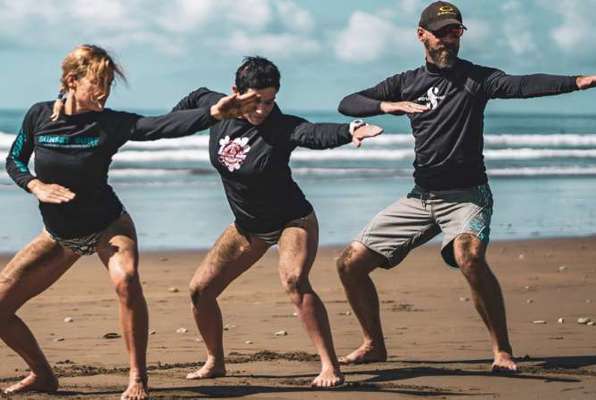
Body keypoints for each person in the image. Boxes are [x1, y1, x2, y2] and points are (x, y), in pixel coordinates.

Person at [335, 1, 596, 372]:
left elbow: (523, 85)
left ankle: (501, 350)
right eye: (441, 32)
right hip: (421, 198)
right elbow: (348, 103)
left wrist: (577, 82)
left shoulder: (478, 79)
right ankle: (374, 344)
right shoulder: (406, 82)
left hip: (468, 198)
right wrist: (388, 106)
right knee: (350, 264)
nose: (449, 39)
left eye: (455, 32)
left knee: (469, 258)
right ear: (421, 35)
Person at [1, 44, 258, 400]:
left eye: (109, 82)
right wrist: (35, 185)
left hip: (108, 225)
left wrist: (213, 113)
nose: (104, 91)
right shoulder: (38, 116)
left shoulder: (109, 123)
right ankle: (43, 374)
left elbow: (159, 126)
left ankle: (138, 377)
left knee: (127, 280)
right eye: (98, 82)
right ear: (72, 81)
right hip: (59, 234)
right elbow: (14, 160)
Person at [172, 56, 383, 387]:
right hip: (247, 227)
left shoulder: (281, 127)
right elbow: (196, 96)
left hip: (292, 221)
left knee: (294, 280)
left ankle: (330, 366)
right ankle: (215, 361)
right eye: (255, 101)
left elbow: (313, 133)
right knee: (200, 290)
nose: (262, 109)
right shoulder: (218, 110)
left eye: (269, 101)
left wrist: (349, 130)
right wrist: (176, 121)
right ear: (235, 93)